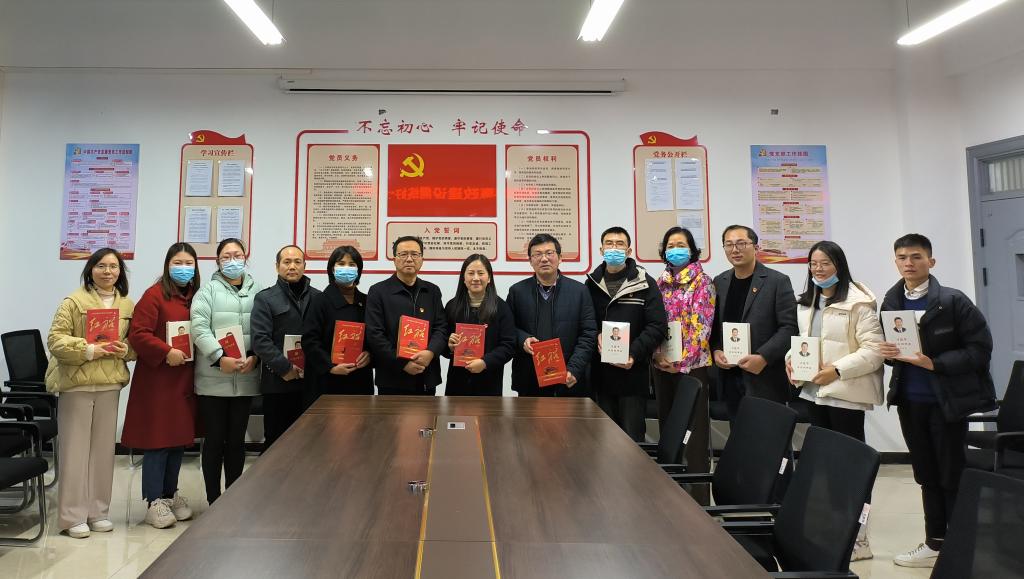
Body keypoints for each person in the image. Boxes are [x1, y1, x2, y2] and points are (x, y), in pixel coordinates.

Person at [879, 234, 996, 568]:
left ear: (931, 261)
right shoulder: (891, 301)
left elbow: (980, 350)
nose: (909, 263)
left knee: (950, 473)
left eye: (916, 257)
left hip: (946, 402)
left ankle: (960, 545)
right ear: (895, 262)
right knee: (925, 474)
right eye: (902, 257)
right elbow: (895, 350)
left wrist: (936, 363)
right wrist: (888, 354)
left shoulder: (952, 301)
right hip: (909, 401)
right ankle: (935, 542)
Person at [785, 240, 884, 560]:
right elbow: (803, 342)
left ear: (839, 265)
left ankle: (859, 538)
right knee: (827, 467)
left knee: (852, 468)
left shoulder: (859, 303)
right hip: (815, 394)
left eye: (825, 263)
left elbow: (874, 351)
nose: (818, 269)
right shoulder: (807, 302)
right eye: (813, 264)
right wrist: (791, 360)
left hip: (845, 396)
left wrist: (837, 370)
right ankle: (836, 530)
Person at [45, 248, 135, 538]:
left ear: (120, 272)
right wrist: (89, 349)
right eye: (101, 266)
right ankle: (72, 516)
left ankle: (99, 512)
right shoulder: (73, 301)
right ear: (90, 269)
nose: (108, 272)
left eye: (113, 266)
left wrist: (125, 349)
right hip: (77, 384)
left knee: (103, 452)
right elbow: (55, 340)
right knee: (74, 451)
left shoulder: (127, 305)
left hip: (109, 384)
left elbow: (135, 345)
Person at [122, 242, 200, 529]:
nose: (183, 268)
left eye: (188, 263)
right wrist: (166, 351)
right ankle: (153, 501)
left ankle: (169, 494)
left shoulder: (194, 296)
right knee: (158, 441)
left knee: (178, 440)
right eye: (177, 263)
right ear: (167, 265)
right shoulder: (154, 295)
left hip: (184, 379)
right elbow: (138, 334)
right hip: (158, 380)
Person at [190, 237, 262, 504]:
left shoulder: (258, 291)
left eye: (237, 255)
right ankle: (213, 500)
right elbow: (199, 328)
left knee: (236, 441)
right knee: (214, 440)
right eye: (226, 257)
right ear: (218, 261)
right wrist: (219, 357)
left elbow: (264, 330)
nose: (233, 261)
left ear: (245, 257)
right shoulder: (207, 291)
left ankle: (232, 500)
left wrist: (256, 357)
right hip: (213, 380)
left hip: (245, 378)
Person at [651, 226, 716, 504]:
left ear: (691, 250)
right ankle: (670, 499)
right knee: (669, 432)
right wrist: (657, 356)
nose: (675, 250)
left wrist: (679, 362)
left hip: (692, 369)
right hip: (662, 366)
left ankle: (698, 501)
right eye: (670, 245)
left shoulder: (703, 282)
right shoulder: (659, 282)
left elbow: (702, 328)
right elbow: (654, 324)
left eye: (681, 245)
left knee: (694, 436)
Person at [585, 227, 667, 441]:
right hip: (600, 377)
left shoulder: (645, 283)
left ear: (629, 251)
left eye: (619, 244)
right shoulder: (591, 284)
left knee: (632, 441)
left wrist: (633, 353)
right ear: (601, 250)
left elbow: (657, 325)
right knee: (601, 441)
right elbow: (586, 322)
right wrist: (596, 335)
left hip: (633, 376)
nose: (614, 248)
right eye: (609, 243)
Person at [710, 225, 797, 419]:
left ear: (756, 247)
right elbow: (713, 326)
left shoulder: (777, 281)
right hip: (730, 376)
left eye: (741, 243)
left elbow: (789, 327)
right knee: (738, 434)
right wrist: (716, 350)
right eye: (729, 244)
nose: (735, 249)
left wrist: (763, 357)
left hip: (764, 378)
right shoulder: (720, 282)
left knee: (769, 434)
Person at [507, 233, 597, 397]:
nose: (544, 259)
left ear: (560, 258)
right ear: (530, 261)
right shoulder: (517, 292)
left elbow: (588, 333)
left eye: (549, 253)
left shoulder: (579, 292)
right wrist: (523, 339)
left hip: (568, 377)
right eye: (537, 254)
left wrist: (574, 369)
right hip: (529, 378)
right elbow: (508, 329)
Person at [251, 245, 320, 450]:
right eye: (287, 262)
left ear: (304, 266)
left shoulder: (318, 297)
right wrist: (285, 368)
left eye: (297, 262)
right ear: (277, 266)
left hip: (310, 384)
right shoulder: (265, 298)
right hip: (278, 384)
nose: (292, 266)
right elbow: (260, 340)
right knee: (277, 445)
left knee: (310, 444)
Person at [365, 236, 447, 395]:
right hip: (392, 378)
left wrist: (430, 352)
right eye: (403, 254)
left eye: (415, 254)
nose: (409, 259)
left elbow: (441, 327)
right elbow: (375, 334)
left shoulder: (432, 291)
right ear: (394, 259)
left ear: (422, 259)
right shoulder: (378, 291)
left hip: (426, 375)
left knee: (428, 413)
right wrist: (401, 363)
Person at [302, 246, 373, 399]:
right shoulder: (319, 301)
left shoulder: (367, 301)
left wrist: (370, 354)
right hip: (327, 379)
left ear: (358, 270)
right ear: (332, 269)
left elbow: (375, 336)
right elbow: (310, 341)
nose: (346, 268)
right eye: (341, 264)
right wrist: (330, 366)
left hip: (360, 379)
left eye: (352, 264)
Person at [442, 254, 517, 396]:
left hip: (489, 382)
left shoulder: (501, 307)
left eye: (481, 273)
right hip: (457, 382)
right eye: (471, 273)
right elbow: (442, 341)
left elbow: (509, 345)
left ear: (489, 278)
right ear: (463, 278)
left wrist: (485, 362)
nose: (476, 278)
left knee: (488, 411)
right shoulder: (452, 306)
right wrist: (449, 347)